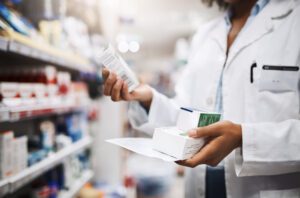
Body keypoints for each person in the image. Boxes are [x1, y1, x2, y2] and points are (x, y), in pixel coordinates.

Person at [102, 0, 300, 197]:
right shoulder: (204, 35)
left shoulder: (294, 20)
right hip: (201, 185)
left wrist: (244, 138)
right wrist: (148, 100)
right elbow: (186, 116)